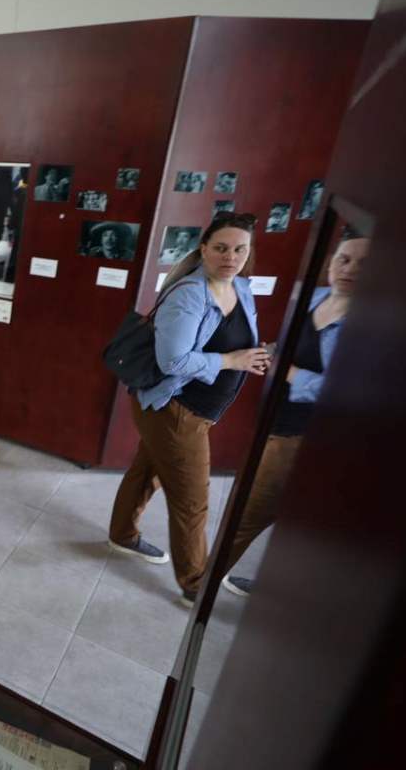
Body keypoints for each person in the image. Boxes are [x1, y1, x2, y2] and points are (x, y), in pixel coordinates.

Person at [107, 212, 270, 606]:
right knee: (193, 500)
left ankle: (121, 534)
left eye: (239, 249)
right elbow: (173, 362)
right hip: (175, 410)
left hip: (194, 411)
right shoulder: (189, 295)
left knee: (148, 469)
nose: (230, 256)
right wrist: (232, 362)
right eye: (220, 248)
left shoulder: (242, 288)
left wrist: (255, 356)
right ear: (203, 249)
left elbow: (237, 339)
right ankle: (194, 584)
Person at [221, 232, 370, 596]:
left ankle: (200, 585)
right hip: (277, 422)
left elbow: (350, 392)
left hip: (307, 435)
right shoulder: (315, 297)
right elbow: (291, 347)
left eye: (365, 264)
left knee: (247, 514)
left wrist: (287, 371)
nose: (349, 269)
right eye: (344, 259)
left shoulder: (373, 325)